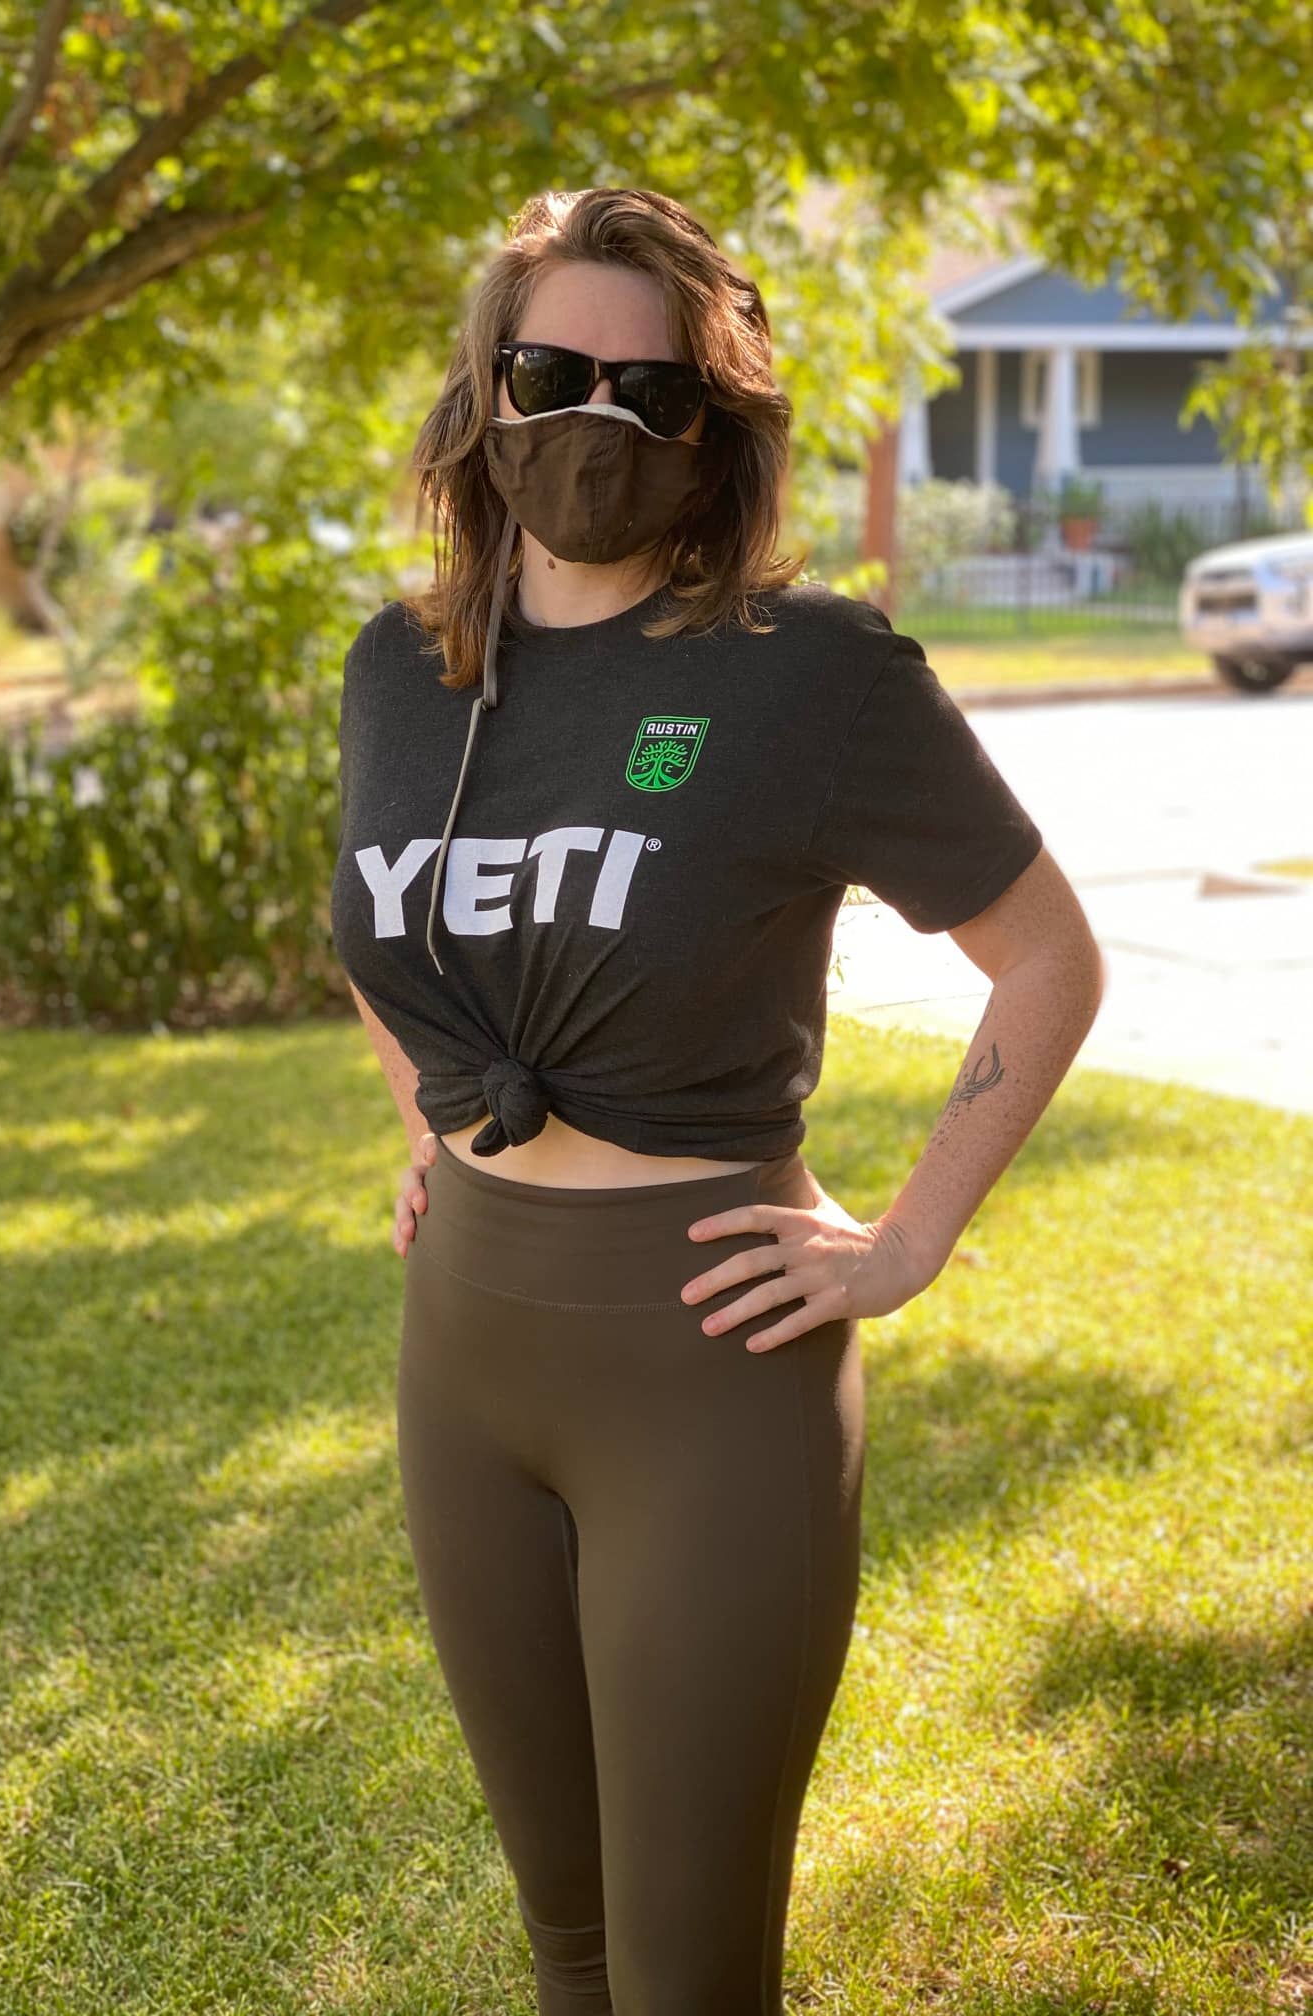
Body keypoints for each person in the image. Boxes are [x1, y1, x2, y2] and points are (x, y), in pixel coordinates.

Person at [329, 186, 1104, 2016]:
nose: (594, 420)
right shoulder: (401, 665)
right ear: (483, 398)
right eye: (548, 370)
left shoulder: (809, 674)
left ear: (715, 430)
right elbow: (380, 933)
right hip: (467, 1354)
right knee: (569, 1944)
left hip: (709, 1357)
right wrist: (432, 1127)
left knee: (689, 1973)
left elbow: (1051, 960)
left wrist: (907, 1239)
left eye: (651, 391)